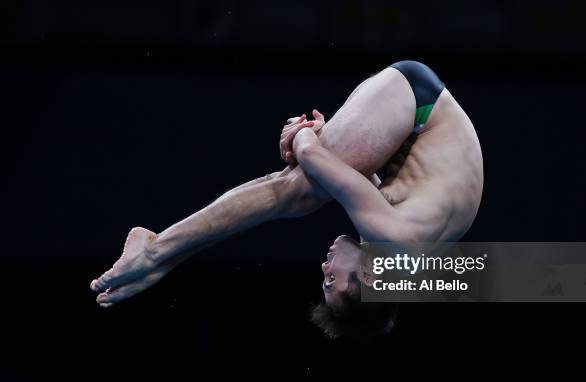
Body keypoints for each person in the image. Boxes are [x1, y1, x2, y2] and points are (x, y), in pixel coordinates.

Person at [90, 60, 483, 339]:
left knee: (306, 186)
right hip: (415, 102)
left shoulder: (405, 253)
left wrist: (322, 140)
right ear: (368, 278)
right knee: (298, 193)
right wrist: (303, 137)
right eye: (332, 280)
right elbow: (311, 156)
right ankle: (157, 251)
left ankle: (163, 254)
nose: (325, 266)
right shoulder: (392, 237)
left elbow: (369, 179)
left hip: (416, 114)